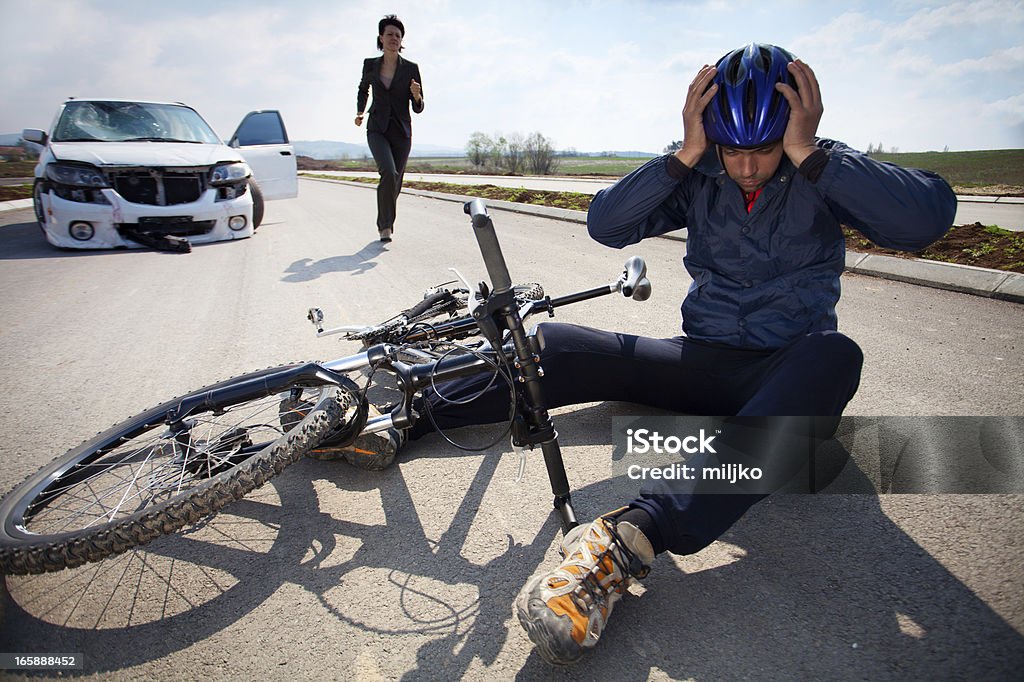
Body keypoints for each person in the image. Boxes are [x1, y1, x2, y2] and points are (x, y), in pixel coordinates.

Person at [350, 43, 957, 664]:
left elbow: (926, 219)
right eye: (731, 149)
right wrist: (684, 155)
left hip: (786, 376)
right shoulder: (702, 172)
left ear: (794, 129)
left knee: (835, 355)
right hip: (701, 361)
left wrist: (810, 154)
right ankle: (404, 417)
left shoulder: (821, 168)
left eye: (765, 149)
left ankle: (625, 543)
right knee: (561, 345)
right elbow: (606, 224)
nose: (747, 168)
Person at [355, 14, 424, 243]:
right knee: (388, 171)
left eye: (398, 35)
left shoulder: (411, 69)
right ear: (381, 38)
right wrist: (359, 111)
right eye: (390, 34)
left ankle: (386, 217)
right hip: (377, 128)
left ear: (401, 40)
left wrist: (416, 96)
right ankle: (385, 226)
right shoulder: (370, 65)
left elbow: (419, 107)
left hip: (401, 132)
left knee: (395, 181)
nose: (394, 38)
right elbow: (363, 89)